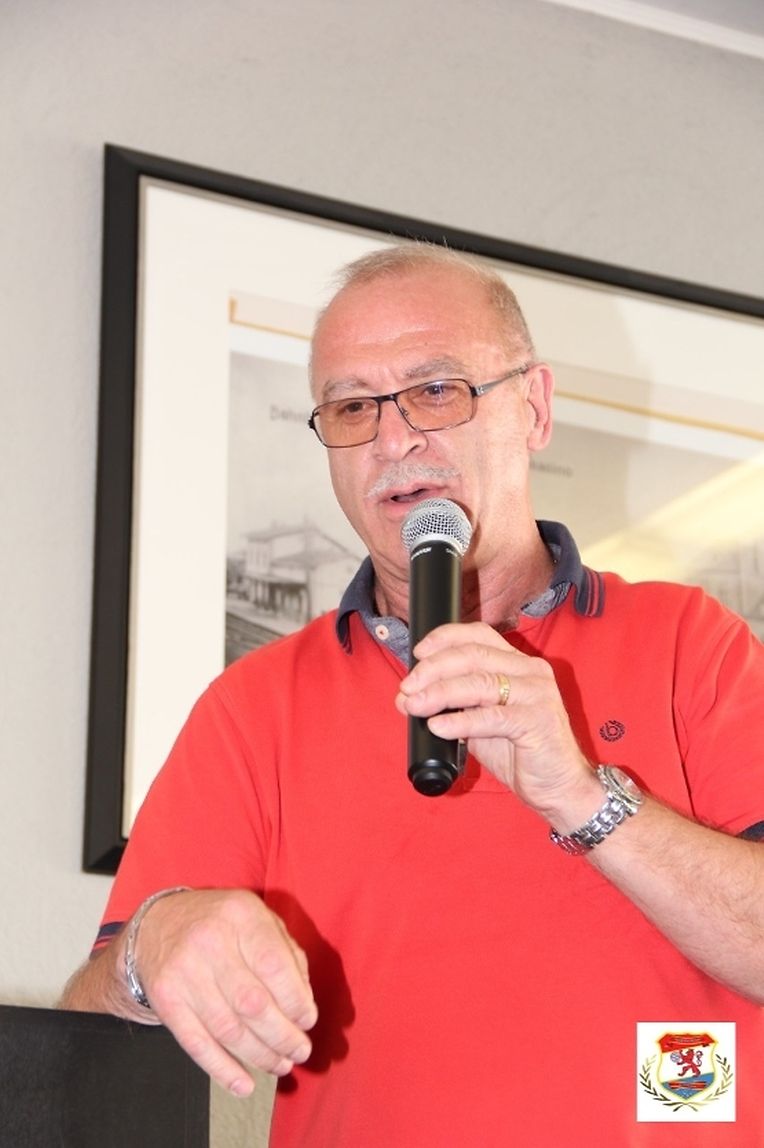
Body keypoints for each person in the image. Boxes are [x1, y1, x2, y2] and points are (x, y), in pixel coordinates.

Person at [62, 244, 764, 1146]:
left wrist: (584, 798)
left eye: (437, 390)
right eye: (353, 407)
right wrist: (149, 950)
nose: (394, 441)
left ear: (534, 408)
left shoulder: (691, 643)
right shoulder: (254, 708)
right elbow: (79, 1046)